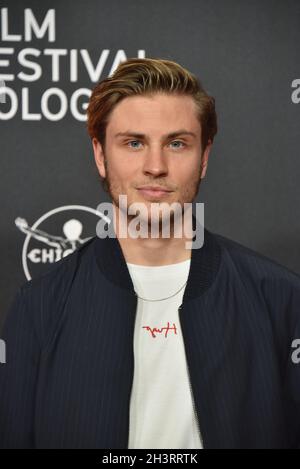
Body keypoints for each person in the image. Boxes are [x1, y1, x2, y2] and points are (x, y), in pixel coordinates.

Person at [0, 57, 300, 449]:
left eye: (177, 143)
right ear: (100, 155)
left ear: (204, 157)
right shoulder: (38, 306)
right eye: (134, 142)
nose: (155, 166)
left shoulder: (280, 298)